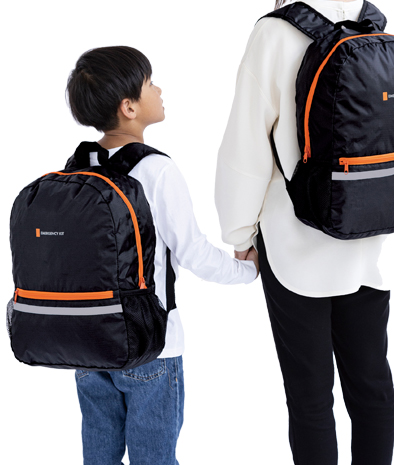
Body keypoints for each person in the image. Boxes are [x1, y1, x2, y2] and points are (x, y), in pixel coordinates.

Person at [215, 1, 394, 464]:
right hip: (368, 236)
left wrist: (239, 234)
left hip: (293, 242)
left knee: (310, 397)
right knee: (373, 386)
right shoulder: (369, 18)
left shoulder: (274, 32)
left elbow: (246, 148)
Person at [66, 45, 259, 465]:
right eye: (150, 83)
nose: (159, 90)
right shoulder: (156, 170)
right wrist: (247, 270)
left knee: (98, 457)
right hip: (151, 346)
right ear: (129, 107)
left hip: (88, 345)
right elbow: (193, 252)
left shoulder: (77, 168)